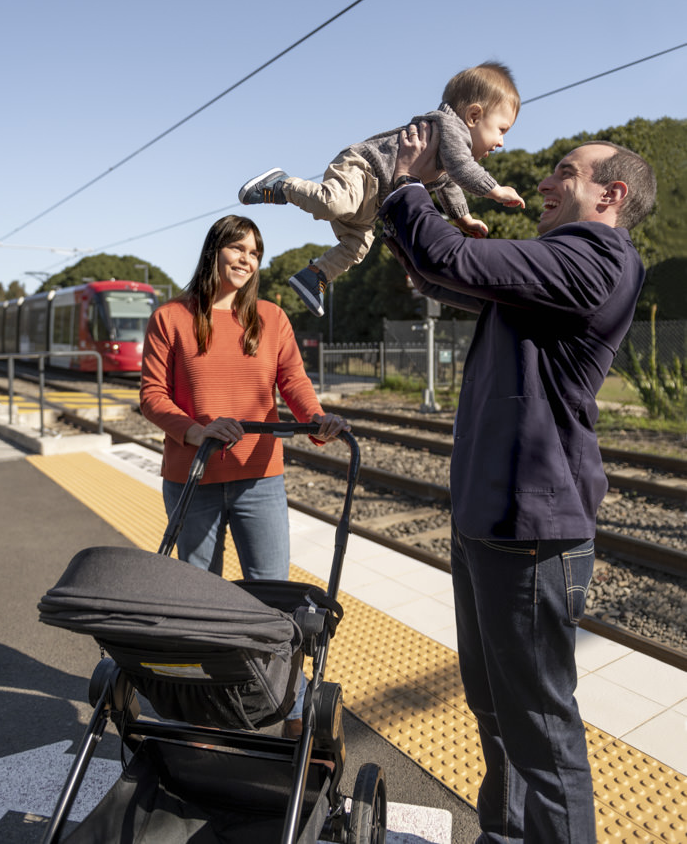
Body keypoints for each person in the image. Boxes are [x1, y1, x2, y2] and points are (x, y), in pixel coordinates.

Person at [379, 122, 656, 844]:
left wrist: (410, 182)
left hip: (532, 531)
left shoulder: (596, 257)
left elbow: (450, 258)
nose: (543, 182)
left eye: (564, 171)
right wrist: (428, 229)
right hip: (491, 522)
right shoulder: (555, 269)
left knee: (539, 730)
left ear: (610, 194)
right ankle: (504, 835)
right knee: (498, 713)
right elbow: (444, 268)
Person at [140, 214, 350, 738]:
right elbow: (152, 396)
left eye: (255, 252)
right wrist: (194, 431)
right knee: (200, 595)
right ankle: (204, 700)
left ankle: (283, 700)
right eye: (237, 248)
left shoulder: (271, 318)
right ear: (214, 251)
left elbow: (293, 381)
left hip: (261, 477)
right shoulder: (171, 317)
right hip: (194, 476)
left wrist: (315, 420)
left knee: (271, 594)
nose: (246, 260)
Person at [238, 62, 525, 317]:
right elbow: (464, 170)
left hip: (373, 202)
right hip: (364, 170)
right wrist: (495, 190)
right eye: (502, 130)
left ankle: (315, 276)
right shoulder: (449, 128)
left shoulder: (448, 158)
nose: (501, 142)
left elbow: (451, 187)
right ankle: (281, 185)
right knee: (333, 203)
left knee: (358, 246)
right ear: (474, 116)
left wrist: (463, 219)